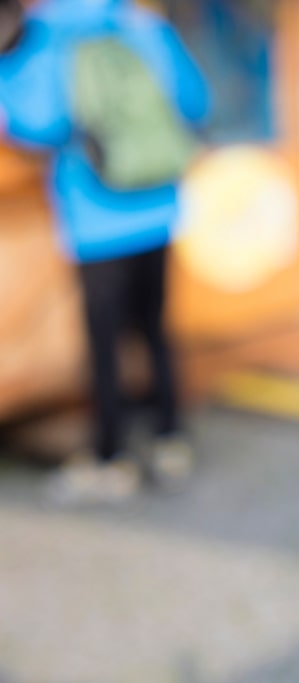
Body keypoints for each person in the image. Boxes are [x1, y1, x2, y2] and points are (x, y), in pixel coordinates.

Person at [0, 0, 209, 503]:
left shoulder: (46, 35)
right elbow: (195, 99)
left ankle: (110, 456)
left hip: (94, 213)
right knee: (156, 328)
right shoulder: (144, 23)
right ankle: (169, 437)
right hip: (159, 202)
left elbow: (36, 123)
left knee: (104, 344)